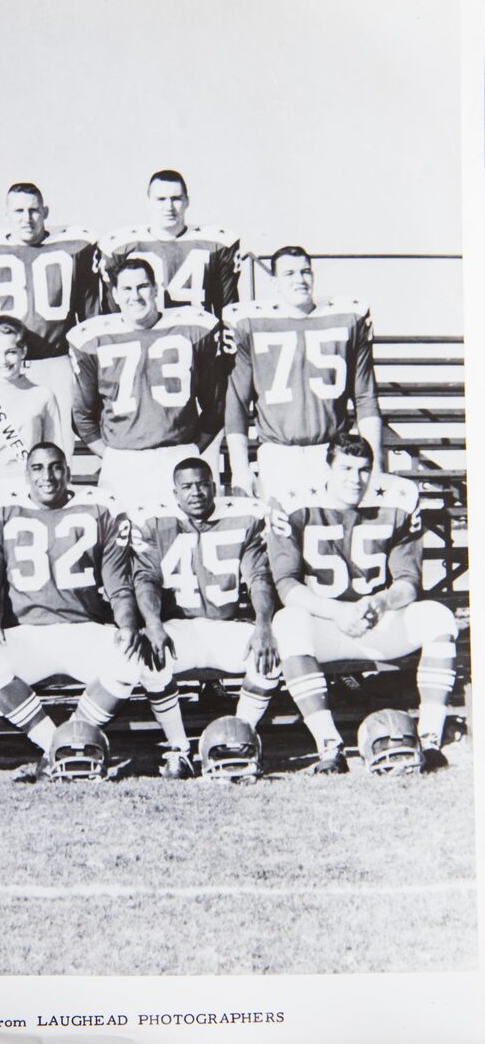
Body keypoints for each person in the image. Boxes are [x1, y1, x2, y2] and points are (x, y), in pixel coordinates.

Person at [268, 434, 457, 774]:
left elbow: (409, 583)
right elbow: (286, 585)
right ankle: (329, 747)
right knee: (287, 623)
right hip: (325, 624)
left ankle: (430, 741)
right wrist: (337, 612)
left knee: (438, 617)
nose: (355, 479)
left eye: (363, 470)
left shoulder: (399, 499)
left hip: (376, 621)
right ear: (328, 467)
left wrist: (381, 602)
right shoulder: (294, 501)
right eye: (346, 468)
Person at [0, 443, 142, 770]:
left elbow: (119, 584)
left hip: (84, 630)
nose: (47, 476)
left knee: (132, 658)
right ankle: (58, 745)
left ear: (69, 471)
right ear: (26, 474)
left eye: (55, 467)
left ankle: (68, 741)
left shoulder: (100, 508)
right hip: (28, 634)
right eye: (37, 468)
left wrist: (128, 625)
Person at [130, 458, 279, 777]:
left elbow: (259, 577)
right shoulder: (155, 522)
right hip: (180, 628)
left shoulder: (244, 518)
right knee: (149, 658)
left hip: (226, 627)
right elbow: (146, 579)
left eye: (202, 484)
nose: (195, 492)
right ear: (175, 493)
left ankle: (240, 739)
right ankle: (178, 748)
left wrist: (264, 624)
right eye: (187, 487)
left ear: (214, 486)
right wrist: (153, 624)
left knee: (270, 655)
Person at [224, 245, 382, 503]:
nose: (300, 280)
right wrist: (240, 469)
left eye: (306, 272)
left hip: (333, 452)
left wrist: (376, 463)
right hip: (278, 453)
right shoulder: (250, 324)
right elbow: (237, 404)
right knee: (282, 537)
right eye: (289, 274)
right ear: (274, 282)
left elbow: (365, 397)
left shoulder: (347, 318)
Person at [68, 257, 228, 507]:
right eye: (127, 289)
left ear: (155, 288)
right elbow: (82, 414)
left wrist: (194, 448)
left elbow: (216, 404)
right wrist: (110, 455)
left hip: (178, 452)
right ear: (116, 295)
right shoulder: (93, 339)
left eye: (142, 286)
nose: (136, 296)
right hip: (123, 458)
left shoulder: (193, 330)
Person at [0, 182, 99, 452]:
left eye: (34, 210)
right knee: (3, 445)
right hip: (3, 364)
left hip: (55, 361)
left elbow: (90, 321)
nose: (27, 218)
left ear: (45, 212)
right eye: (18, 210)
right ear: (6, 214)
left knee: (58, 447)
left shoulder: (75, 248)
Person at [99, 169, 240, 318]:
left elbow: (227, 311)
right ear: (148, 203)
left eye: (176, 199)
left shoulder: (216, 245)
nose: (169, 207)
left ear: (187, 201)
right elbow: (113, 316)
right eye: (161, 199)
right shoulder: (120, 248)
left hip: (199, 338)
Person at [0, 316, 63, 508]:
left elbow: (54, 455)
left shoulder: (43, 396)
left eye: (10, 352)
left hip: (28, 490)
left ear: (23, 351)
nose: (2, 361)